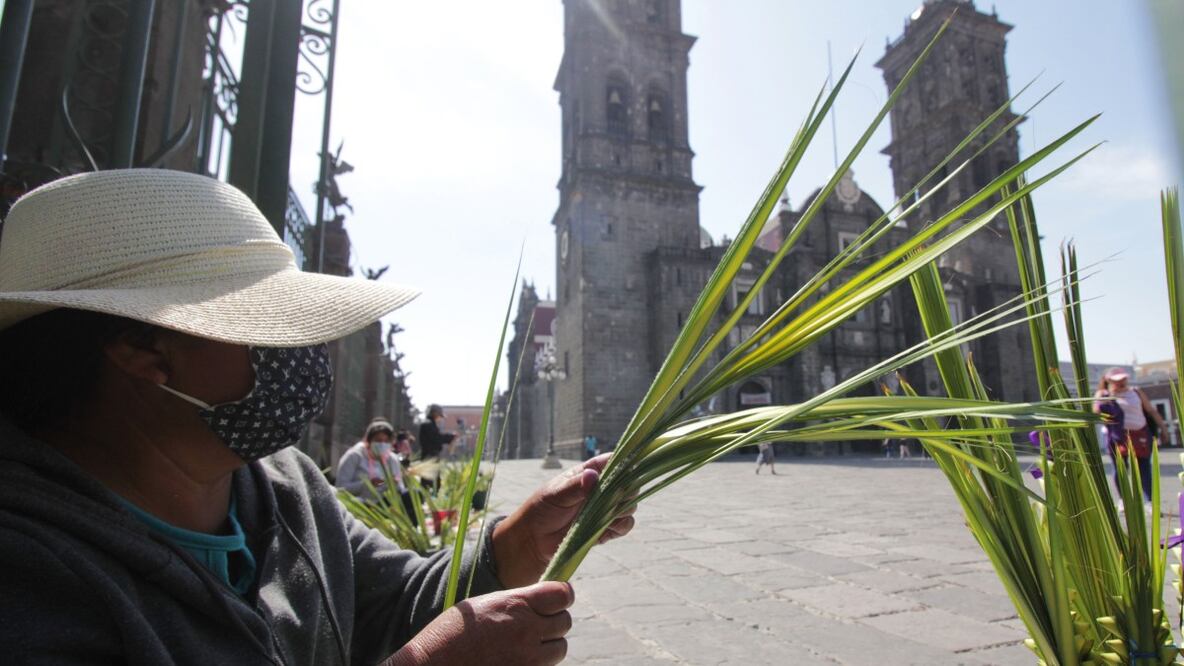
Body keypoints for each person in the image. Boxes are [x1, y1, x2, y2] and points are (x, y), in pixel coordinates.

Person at [0, 169, 635, 665]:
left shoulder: (287, 485)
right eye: (269, 323)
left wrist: (521, 539)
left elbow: (396, 600)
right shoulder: (28, 577)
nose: (304, 352)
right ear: (143, 349)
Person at [1093, 367, 1168, 504]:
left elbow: (1151, 410)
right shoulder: (1103, 394)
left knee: (1144, 467)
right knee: (1119, 468)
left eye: (1123, 379)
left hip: (1140, 434)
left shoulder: (1136, 391)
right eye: (1117, 380)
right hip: (1117, 437)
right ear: (1108, 380)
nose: (1121, 382)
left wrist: (1163, 429)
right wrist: (1107, 398)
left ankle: (1149, 501)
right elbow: (1096, 413)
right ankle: (1123, 500)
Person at [337, 418, 419, 525]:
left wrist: (394, 484)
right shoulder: (354, 456)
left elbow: (400, 488)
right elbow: (340, 489)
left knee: (412, 494)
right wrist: (366, 484)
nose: (382, 444)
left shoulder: (392, 459)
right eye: (378, 440)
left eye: (386, 441)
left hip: (384, 504)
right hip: (361, 503)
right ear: (368, 441)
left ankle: (410, 533)